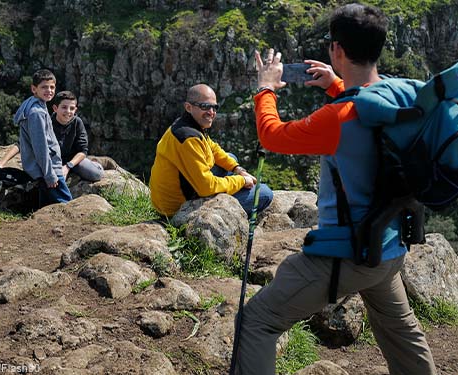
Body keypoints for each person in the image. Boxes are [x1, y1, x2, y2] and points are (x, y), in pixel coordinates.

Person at [236, 4, 436, 374]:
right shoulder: (401, 94)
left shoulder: (338, 118)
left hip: (348, 253)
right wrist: (336, 85)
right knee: (399, 329)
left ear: (337, 50)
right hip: (391, 243)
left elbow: (273, 135)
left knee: (257, 321)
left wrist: (265, 89)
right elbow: (366, 110)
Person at [149, 84, 273, 217]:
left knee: (231, 158)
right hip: (178, 207)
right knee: (265, 193)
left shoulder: (188, 123)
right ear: (188, 107)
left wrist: (237, 169)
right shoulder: (188, 138)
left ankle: (228, 185)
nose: (211, 112)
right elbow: (206, 187)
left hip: (183, 187)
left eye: (214, 107)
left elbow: (212, 148)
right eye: (205, 106)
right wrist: (241, 181)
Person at [0, 91, 105, 182]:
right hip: (51, 161)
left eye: (72, 108)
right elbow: (21, 144)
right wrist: (1, 163)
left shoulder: (77, 123)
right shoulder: (45, 121)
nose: (68, 111)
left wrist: (67, 167)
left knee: (95, 174)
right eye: (64, 107)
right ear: (55, 108)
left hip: (73, 160)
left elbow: (82, 151)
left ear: (75, 110)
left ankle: (97, 162)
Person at [13, 69, 72, 207]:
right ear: (34, 89)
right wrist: (49, 174)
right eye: (44, 87)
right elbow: (41, 147)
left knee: (47, 205)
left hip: (43, 169)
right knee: (66, 204)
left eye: (52, 87)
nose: (49, 90)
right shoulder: (36, 113)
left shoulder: (36, 104)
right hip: (48, 168)